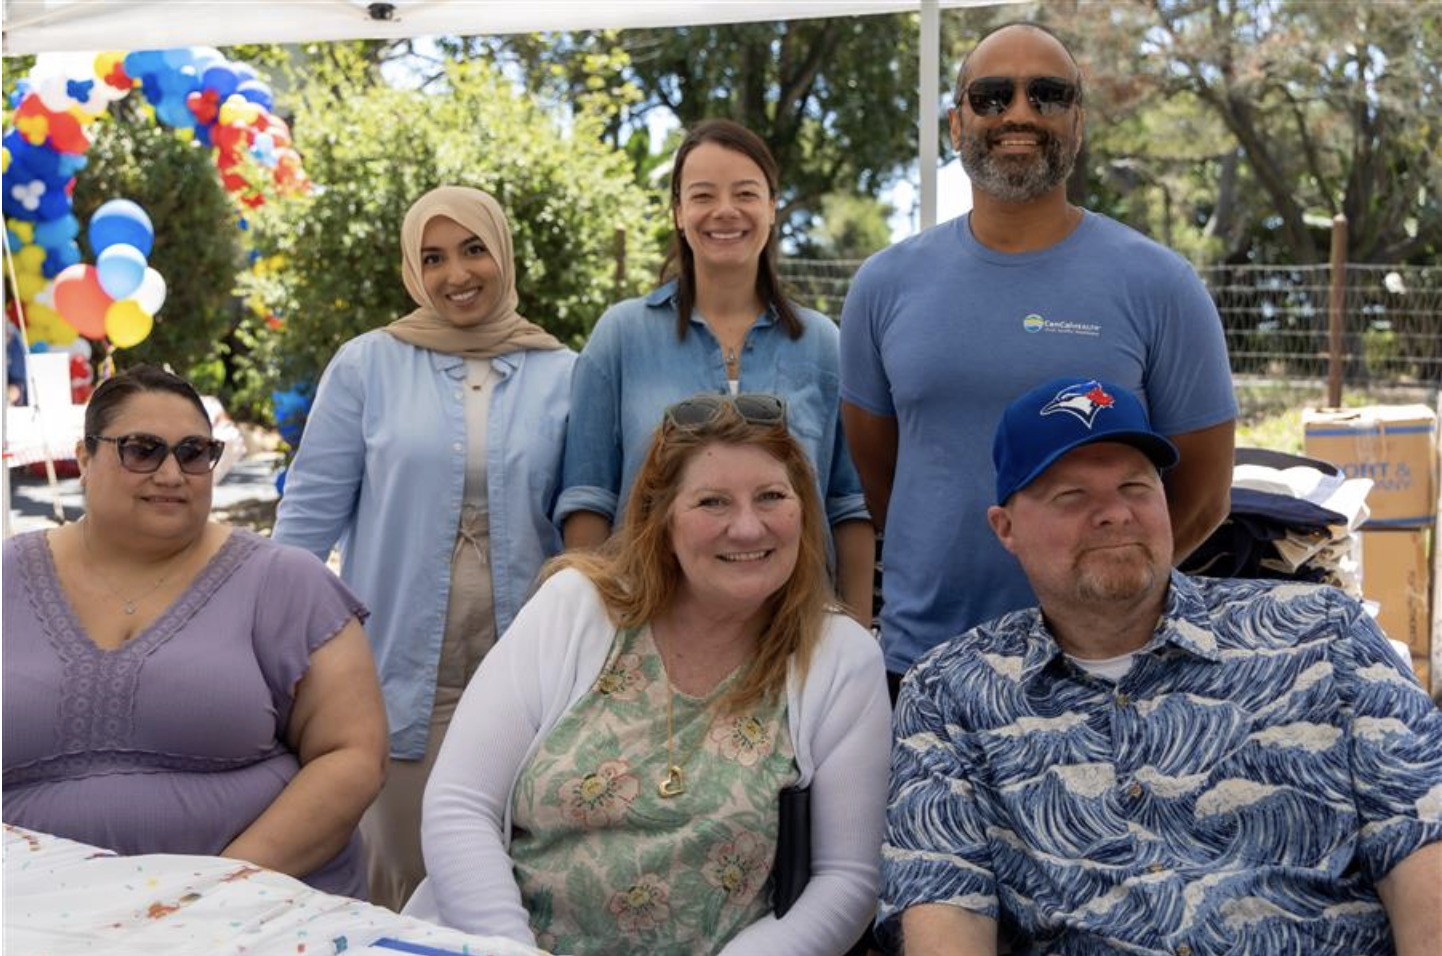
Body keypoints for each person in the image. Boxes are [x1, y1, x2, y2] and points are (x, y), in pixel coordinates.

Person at [880, 376, 1442, 955]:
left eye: (1135, 486)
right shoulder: (953, 693)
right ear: (1006, 529)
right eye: (1072, 496)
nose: (1115, 513)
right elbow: (945, 908)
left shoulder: (1321, 632)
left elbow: (1423, 841)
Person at [407, 393, 891, 955]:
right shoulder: (575, 608)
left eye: (771, 497)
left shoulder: (839, 657)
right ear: (661, 519)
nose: (747, 527)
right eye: (712, 502)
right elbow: (459, 805)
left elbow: (847, 878)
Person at [839, 21, 1237, 688]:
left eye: (1047, 94)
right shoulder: (882, 287)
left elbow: (1203, 495)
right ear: (956, 123)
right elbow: (885, 477)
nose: (1019, 113)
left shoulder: (1161, 285)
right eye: (992, 96)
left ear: (1077, 121)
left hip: (1103, 668)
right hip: (925, 664)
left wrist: (1101, 599)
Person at [271, 185, 576, 909]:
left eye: (473, 249)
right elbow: (306, 520)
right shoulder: (366, 366)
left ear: (502, 253)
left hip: (531, 676)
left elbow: (590, 528)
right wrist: (263, 648)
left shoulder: (566, 371)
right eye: (433, 257)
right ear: (412, 268)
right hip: (399, 676)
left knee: (516, 876)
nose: (456, 273)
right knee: (403, 873)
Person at [2, 365, 387, 898]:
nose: (170, 473)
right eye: (142, 450)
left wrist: (215, 891)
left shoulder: (286, 582)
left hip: (248, 917)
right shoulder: (7, 578)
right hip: (29, 914)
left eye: (193, 453)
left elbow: (353, 756)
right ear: (85, 458)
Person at [558, 119, 874, 625]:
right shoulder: (620, 336)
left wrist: (854, 636)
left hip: (792, 636)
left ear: (772, 207)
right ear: (679, 213)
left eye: (745, 193)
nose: (725, 211)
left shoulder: (823, 344)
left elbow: (849, 506)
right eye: (703, 195)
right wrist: (592, 630)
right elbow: (587, 500)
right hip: (645, 636)